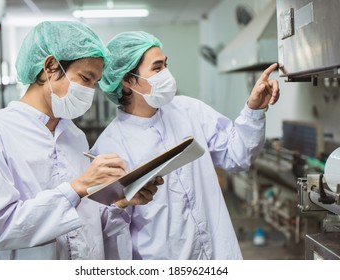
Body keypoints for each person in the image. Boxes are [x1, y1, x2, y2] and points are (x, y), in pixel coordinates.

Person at [0, 22, 161, 260]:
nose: (90, 90)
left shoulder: (74, 136)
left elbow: (85, 221)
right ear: (51, 67)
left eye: (95, 83)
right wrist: (78, 186)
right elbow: (0, 228)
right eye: (86, 78)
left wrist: (120, 201)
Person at [91, 31, 280, 259]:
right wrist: (120, 203)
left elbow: (237, 155)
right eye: (157, 68)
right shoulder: (109, 147)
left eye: (166, 65)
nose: (167, 74)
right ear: (128, 80)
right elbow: (105, 230)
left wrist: (254, 108)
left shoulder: (189, 111)